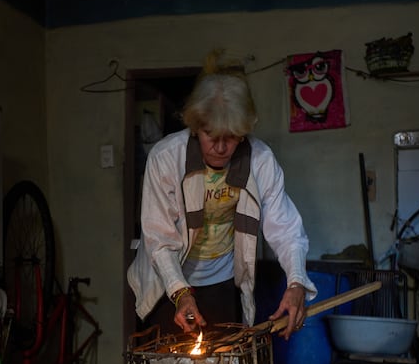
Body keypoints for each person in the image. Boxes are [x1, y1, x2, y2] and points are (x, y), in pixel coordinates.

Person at [127, 49, 318, 343]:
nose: (219, 147)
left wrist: (296, 284)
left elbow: (287, 229)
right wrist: (180, 293)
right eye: (209, 135)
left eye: (230, 136)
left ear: (243, 132)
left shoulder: (261, 160)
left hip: (221, 280)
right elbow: (158, 238)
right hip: (166, 281)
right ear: (194, 126)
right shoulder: (166, 158)